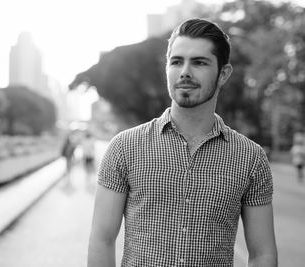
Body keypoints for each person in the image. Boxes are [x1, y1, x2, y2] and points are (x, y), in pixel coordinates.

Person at [88, 18, 277, 267]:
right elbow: (102, 239)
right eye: (176, 61)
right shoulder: (125, 147)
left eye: (199, 62)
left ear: (223, 74)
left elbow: (262, 254)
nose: (185, 71)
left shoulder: (250, 158)